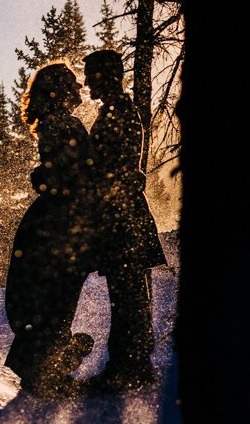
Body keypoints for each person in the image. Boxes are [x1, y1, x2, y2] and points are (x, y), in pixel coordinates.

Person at [4, 63, 95, 397]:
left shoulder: (50, 123)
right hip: (61, 222)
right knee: (57, 295)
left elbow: (56, 173)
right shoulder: (63, 123)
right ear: (59, 88)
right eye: (72, 81)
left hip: (51, 219)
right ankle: (44, 372)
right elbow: (71, 173)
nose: (80, 86)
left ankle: (42, 366)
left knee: (49, 294)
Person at [83, 50, 165, 390]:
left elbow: (112, 169)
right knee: (129, 292)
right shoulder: (117, 111)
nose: (86, 82)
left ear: (106, 75)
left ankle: (128, 369)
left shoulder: (119, 113)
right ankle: (131, 365)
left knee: (129, 292)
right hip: (123, 215)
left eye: (91, 74)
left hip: (124, 218)